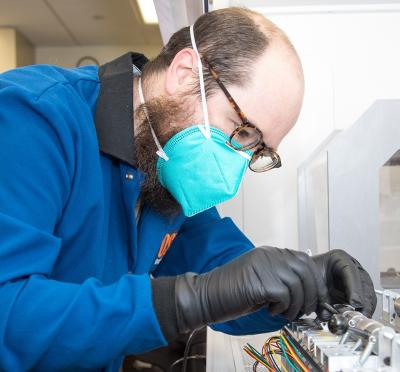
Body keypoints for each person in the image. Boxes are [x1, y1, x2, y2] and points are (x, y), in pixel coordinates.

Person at [0, 7, 376, 372]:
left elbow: (225, 271)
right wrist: (184, 300)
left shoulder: (166, 164)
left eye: (257, 151)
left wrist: (307, 283)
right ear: (184, 74)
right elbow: (8, 315)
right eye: (242, 131)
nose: (237, 163)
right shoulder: (34, 118)